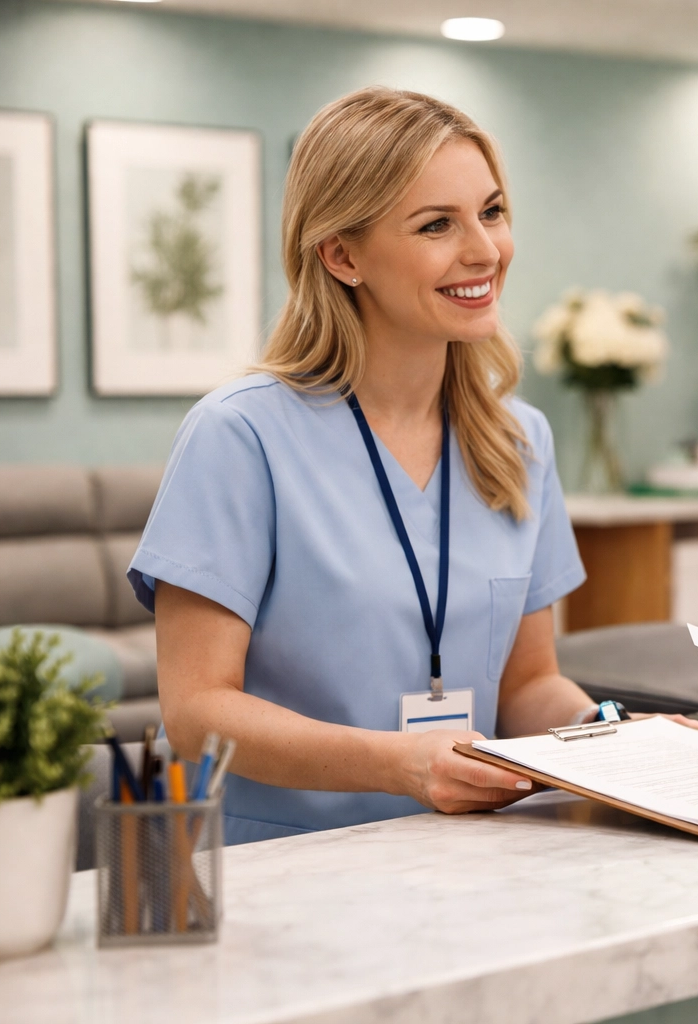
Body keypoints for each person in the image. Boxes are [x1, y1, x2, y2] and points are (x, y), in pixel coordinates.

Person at [130, 87, 607, 845]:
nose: (484, 249)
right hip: (286, 870)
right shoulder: (239, 436)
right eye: (436, 225)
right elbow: (196, 715)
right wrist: (401, 764)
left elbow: (526, 687)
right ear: (342, 254)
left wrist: (609, 734)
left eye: (491, 211)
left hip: (474, 858)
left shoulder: (522, 440)